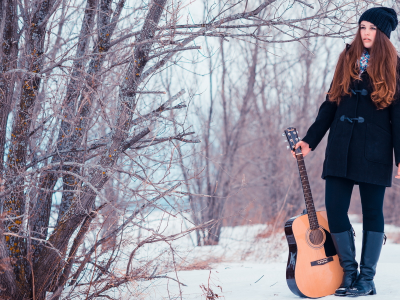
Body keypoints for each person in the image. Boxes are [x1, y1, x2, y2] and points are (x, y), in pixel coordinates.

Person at [290, 7, 400, 297]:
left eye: (373, 28)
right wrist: (310, 140)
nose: (365, 32)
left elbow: (399, 117)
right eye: (363, 26)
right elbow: (330, 103)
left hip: (374, 150)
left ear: (384, 33)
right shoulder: (346, 59)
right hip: (340, 147)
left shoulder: (396, 67)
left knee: (372, 213)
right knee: (336, 210)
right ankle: (348, 274)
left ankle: (367, 280)